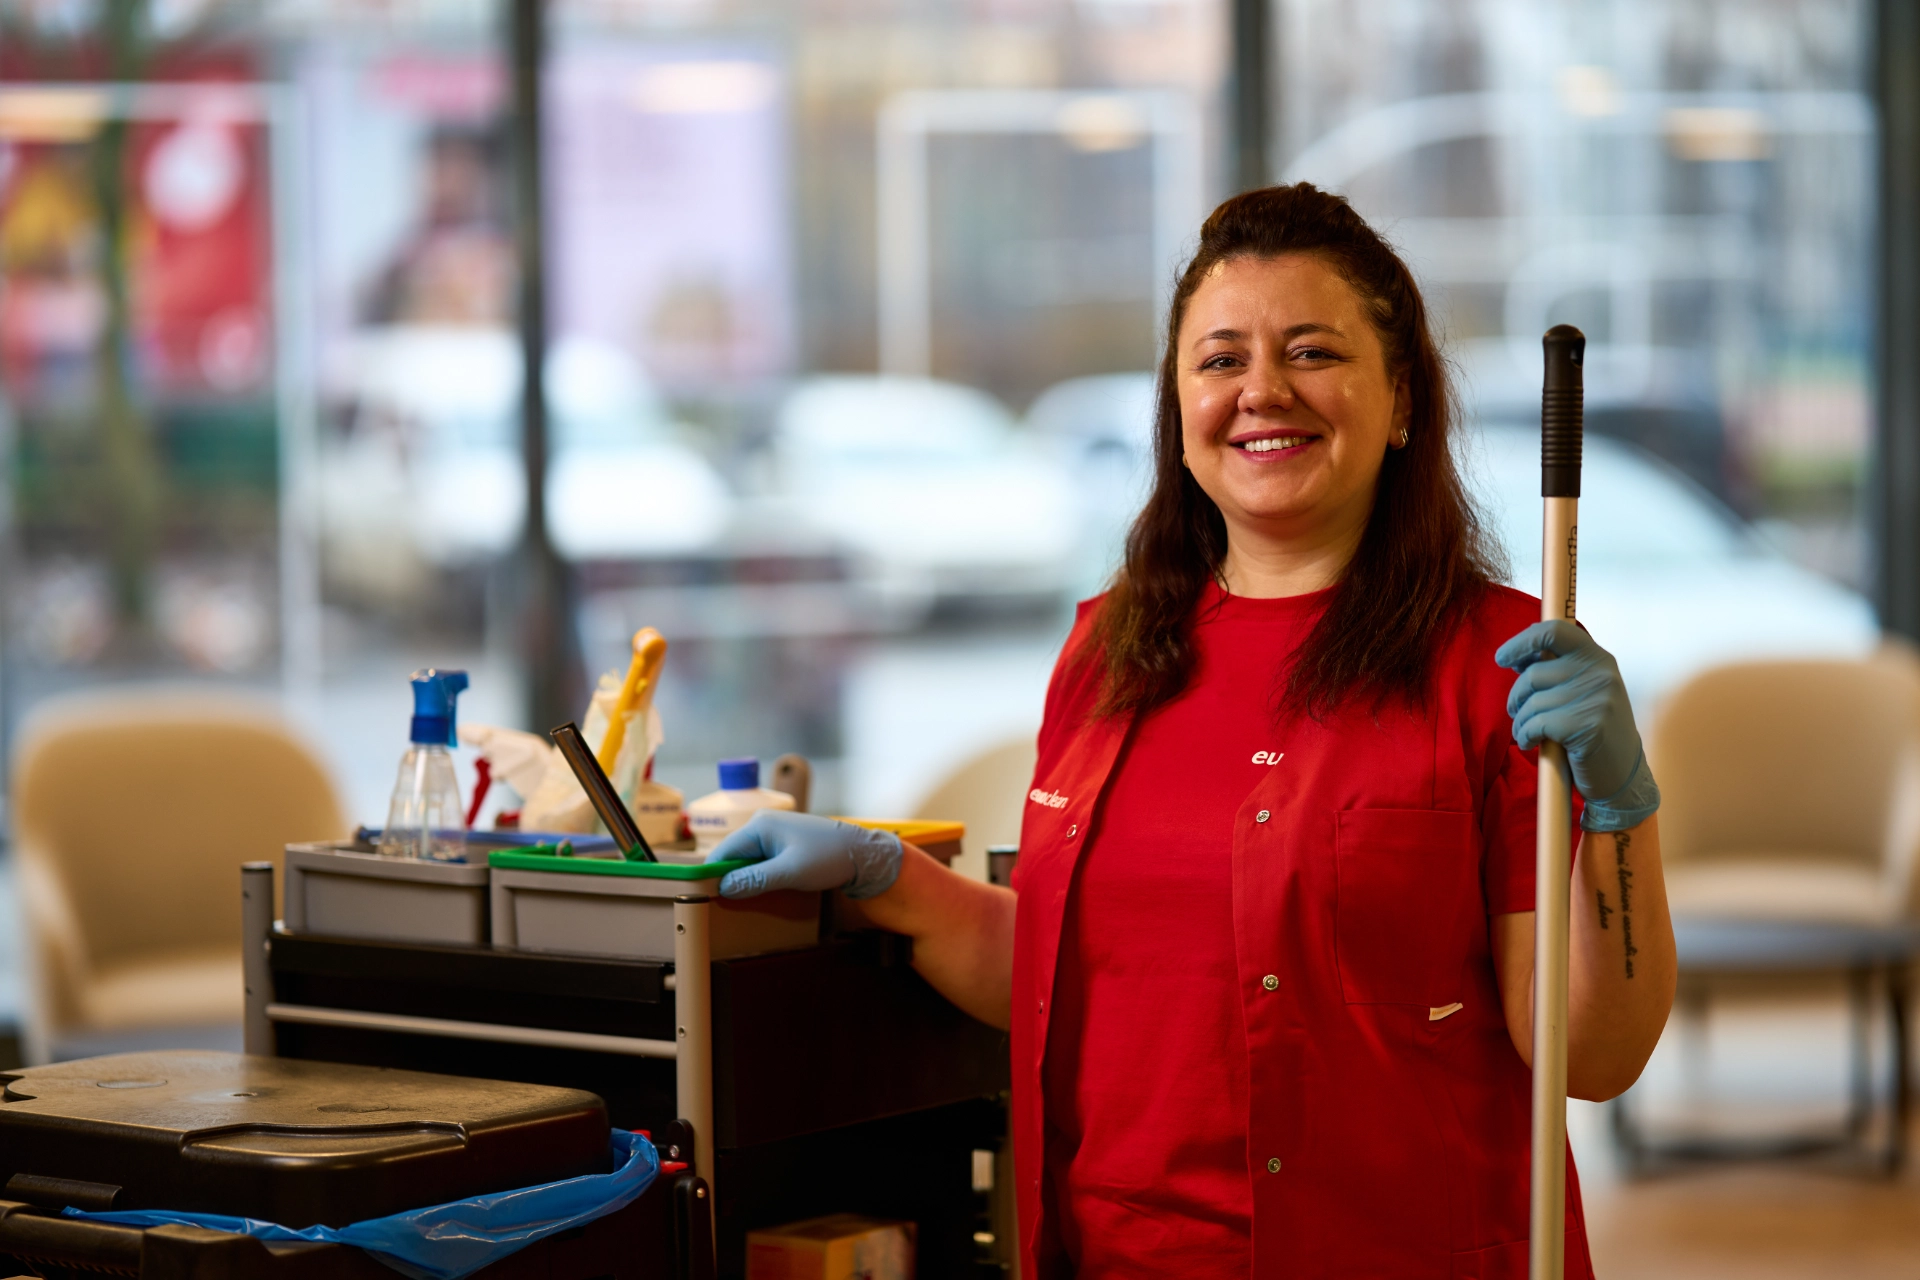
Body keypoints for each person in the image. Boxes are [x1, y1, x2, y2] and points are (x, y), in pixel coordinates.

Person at [710, 183, 1675, 1278]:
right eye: (1221, 360)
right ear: (1180, 408)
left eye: (1312, 351)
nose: (1263, 388)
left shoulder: (1498, 660)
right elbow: (1082, 981)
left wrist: (1621, 809)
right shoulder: (1111, 648)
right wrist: (884, 874)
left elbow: (1591, 1050)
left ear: (1401, 398)